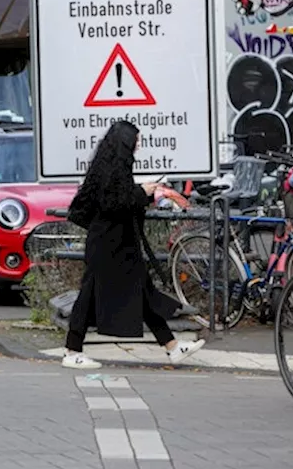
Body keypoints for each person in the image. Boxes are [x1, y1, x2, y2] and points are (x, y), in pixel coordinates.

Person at [61, 120, 206, 369]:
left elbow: (112, 200)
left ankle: (172, 347)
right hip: (110, 244)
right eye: (136, 141)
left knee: (142, 291)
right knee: (89, 295)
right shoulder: (116, 170)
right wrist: (144, 192)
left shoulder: (106, 166)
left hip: (114, 243)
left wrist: (140, 191)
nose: (138, 146)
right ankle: (72, 350)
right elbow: (116, 204)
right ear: (125, 143)